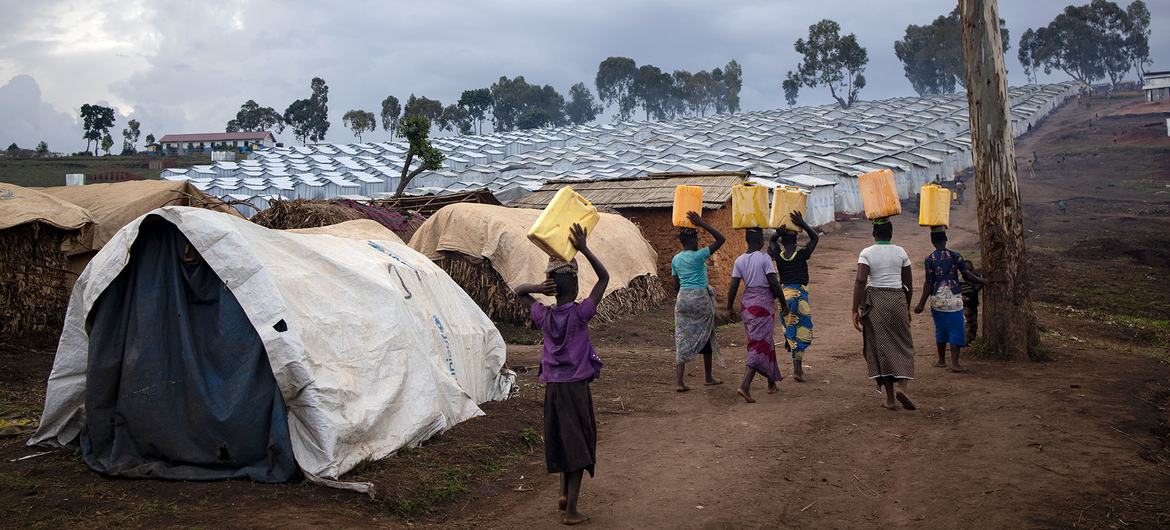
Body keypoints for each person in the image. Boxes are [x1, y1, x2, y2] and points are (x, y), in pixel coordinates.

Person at [515, 224, 608, 526]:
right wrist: (583, 248)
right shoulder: (581, 315)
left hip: (553, 389)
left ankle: (563, 494)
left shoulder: (544, 315)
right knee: (578, 444)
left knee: (563, 439)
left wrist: (537, 288)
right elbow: (604, 277)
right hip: (575, 389)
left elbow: (518, 292)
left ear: (552, 287)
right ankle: (571, 512)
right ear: (576, 286)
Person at [851, 219, 916, 411]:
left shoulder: (867, 253)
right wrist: (907, 307)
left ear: (874, 234)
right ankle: (902, 387)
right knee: (903, 344)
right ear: (891, 234)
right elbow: (908, 285)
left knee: (882, 348)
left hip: (876, 303)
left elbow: (861, 280)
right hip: (897, 299)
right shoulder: (901, 252)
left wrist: (855, 309)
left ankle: (889, 399)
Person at [914, 229, 985, 373]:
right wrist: (983, 280)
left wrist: (921, 304)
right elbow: (967, 275)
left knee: (940, 329)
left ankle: (941, 361)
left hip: (937, 298)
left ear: (932, 242)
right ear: (946, 239)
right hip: (954, 298)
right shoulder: (955, 256)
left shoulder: (929, 259)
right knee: (956, 329)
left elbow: (928, 283)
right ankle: (955, 363)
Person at [726, 228, 785, 403]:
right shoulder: (765, 259)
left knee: (763, 340)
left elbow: (733, 286)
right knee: (759, 344)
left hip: (748, 305)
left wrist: (729, 307)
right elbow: (773, 282)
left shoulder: (739, 260)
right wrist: (784, 303)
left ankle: (771, 383)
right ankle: (745, 385)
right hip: (762, 305)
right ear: (760, 242)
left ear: (746, 241)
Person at [671, 211, 726, 392]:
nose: (698, 242)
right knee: (707, 335)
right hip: (701, 299)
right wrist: (702, 223)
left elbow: (675, 285)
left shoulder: (676, 259)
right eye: (697, 239)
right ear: (693, 241)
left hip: (683, 300)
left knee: (681, 337)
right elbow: (721, 239)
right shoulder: (699, 255)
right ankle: (708, 377)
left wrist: (686, 295)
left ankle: (679, 382)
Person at [768, 211, 819, 382]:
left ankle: (789, 342)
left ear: (782, 241)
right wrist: (803, 223)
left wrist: (777, 233)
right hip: (800, 297)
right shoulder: (802, 254)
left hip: (785, 297)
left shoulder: (778, 256)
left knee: (790, 329)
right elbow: (815, 238)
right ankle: (797, 370)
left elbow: (771, 241)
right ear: (796, 240)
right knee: (802, 332)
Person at [958, 259, 983, 342]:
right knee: (968, 324)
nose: (969, 273)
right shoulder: (960, 281)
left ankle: (970, 341)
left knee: (973, 324)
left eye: (970, 270)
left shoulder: (973, 280)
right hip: (965, 306)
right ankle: (967, 342)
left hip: (972, 305)